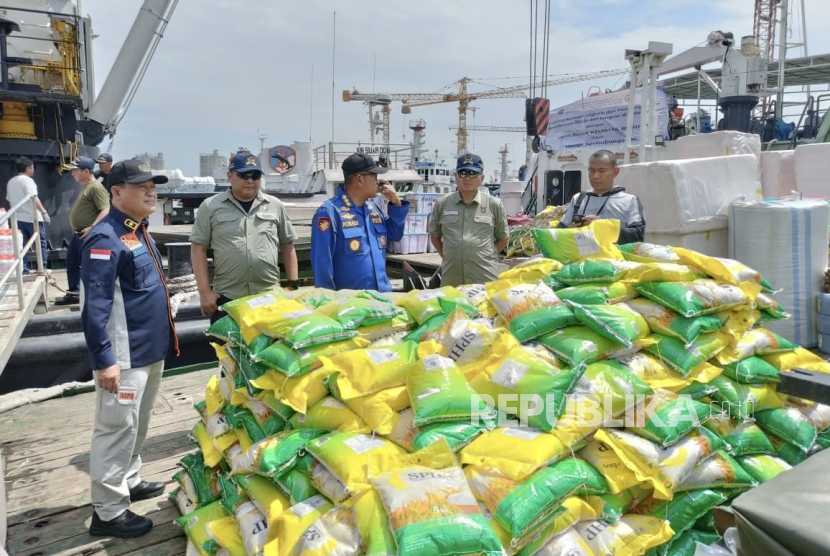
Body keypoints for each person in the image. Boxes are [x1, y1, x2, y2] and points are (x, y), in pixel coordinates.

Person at [81, 158, 178, 538]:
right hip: (123, 358)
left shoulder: (138, 231)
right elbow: (95, 305)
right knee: (115, 428)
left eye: (153, 185)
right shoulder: (104, 238)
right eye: (141, 186)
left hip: (148, 349)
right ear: (117, 192)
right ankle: (107, 511)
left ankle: (130, 480)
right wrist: (104, 361)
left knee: (138, 423)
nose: (151, 191)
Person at [190, 151, 299, 323]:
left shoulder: (275, 206)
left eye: (255, 175)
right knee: (228, 349)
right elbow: (198, 249)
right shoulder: (210, 206)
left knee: (271, 349)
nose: (250, 180)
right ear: (230, 176)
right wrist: (204, 293)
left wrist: (293, 286)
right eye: (243, 175)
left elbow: (288, 245)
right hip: (228, 298)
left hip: (269, 297)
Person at [311, 153, 409, 291]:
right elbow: (322, 264)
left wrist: (396, 203)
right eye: (374, 177)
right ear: (360, 179)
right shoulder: (329, 212)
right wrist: (328, 302)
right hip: (351, 304)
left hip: (382, 298)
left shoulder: (372, 209)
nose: (378, 182)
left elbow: (395, 235)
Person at [429, 153, 509, 286]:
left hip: (484, 277)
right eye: (463, 173)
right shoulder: (442, 203)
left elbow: (503, 238)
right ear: (456, 177)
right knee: (453, 307)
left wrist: (486, 255)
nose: (467, 178)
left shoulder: (494, 204)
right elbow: (435, 235)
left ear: (481, 178)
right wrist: (450, 255)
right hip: (452, 277)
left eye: (473, 173)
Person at [558, 149, 645, 243]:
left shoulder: (630, 201)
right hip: (581, 257)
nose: (595, 176)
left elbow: (638, 235)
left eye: (602, 171)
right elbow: (560, 232)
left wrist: (602, 226)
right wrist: (571, 230)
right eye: (591, 171)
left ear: (616, 171)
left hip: (614, 257)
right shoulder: (578, 199)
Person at [57, 156, 110, 305]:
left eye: (75, 170)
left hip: (88, 235)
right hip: (79, 234)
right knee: (72, 262)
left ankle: (95, 296)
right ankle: (74, 293)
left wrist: (92, 227)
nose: (72, 173)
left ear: (86, 171)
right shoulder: (87, 187)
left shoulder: (96, 187)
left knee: (91, 266)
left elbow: (105, 209)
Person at [5, 157, 50, 273]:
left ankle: (24, 270)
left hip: (18, 220)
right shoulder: (28, 181)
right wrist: (44, 212)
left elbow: (10, 201)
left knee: (21, 245)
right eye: (32, 167)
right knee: (40, 244)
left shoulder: (11, 182)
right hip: (32, 218)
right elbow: (34, 198)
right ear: (28, 168)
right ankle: (42, 267)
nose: (33, 170)